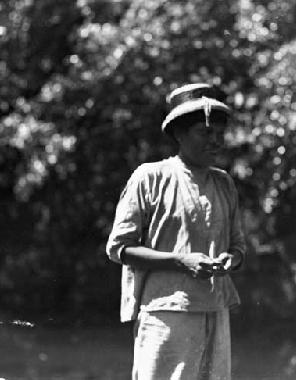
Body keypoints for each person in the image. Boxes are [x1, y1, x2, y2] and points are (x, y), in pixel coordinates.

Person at [106, 83, 246, 380]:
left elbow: (238, 247)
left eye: (220, 134)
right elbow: (120, 248)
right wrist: (181, 261)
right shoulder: (151, 177)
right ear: (179, 135)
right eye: (205, 133)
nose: (215, 141)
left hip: (215, 309)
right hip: (166, 313)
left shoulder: (224, 184)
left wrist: (230, 260)